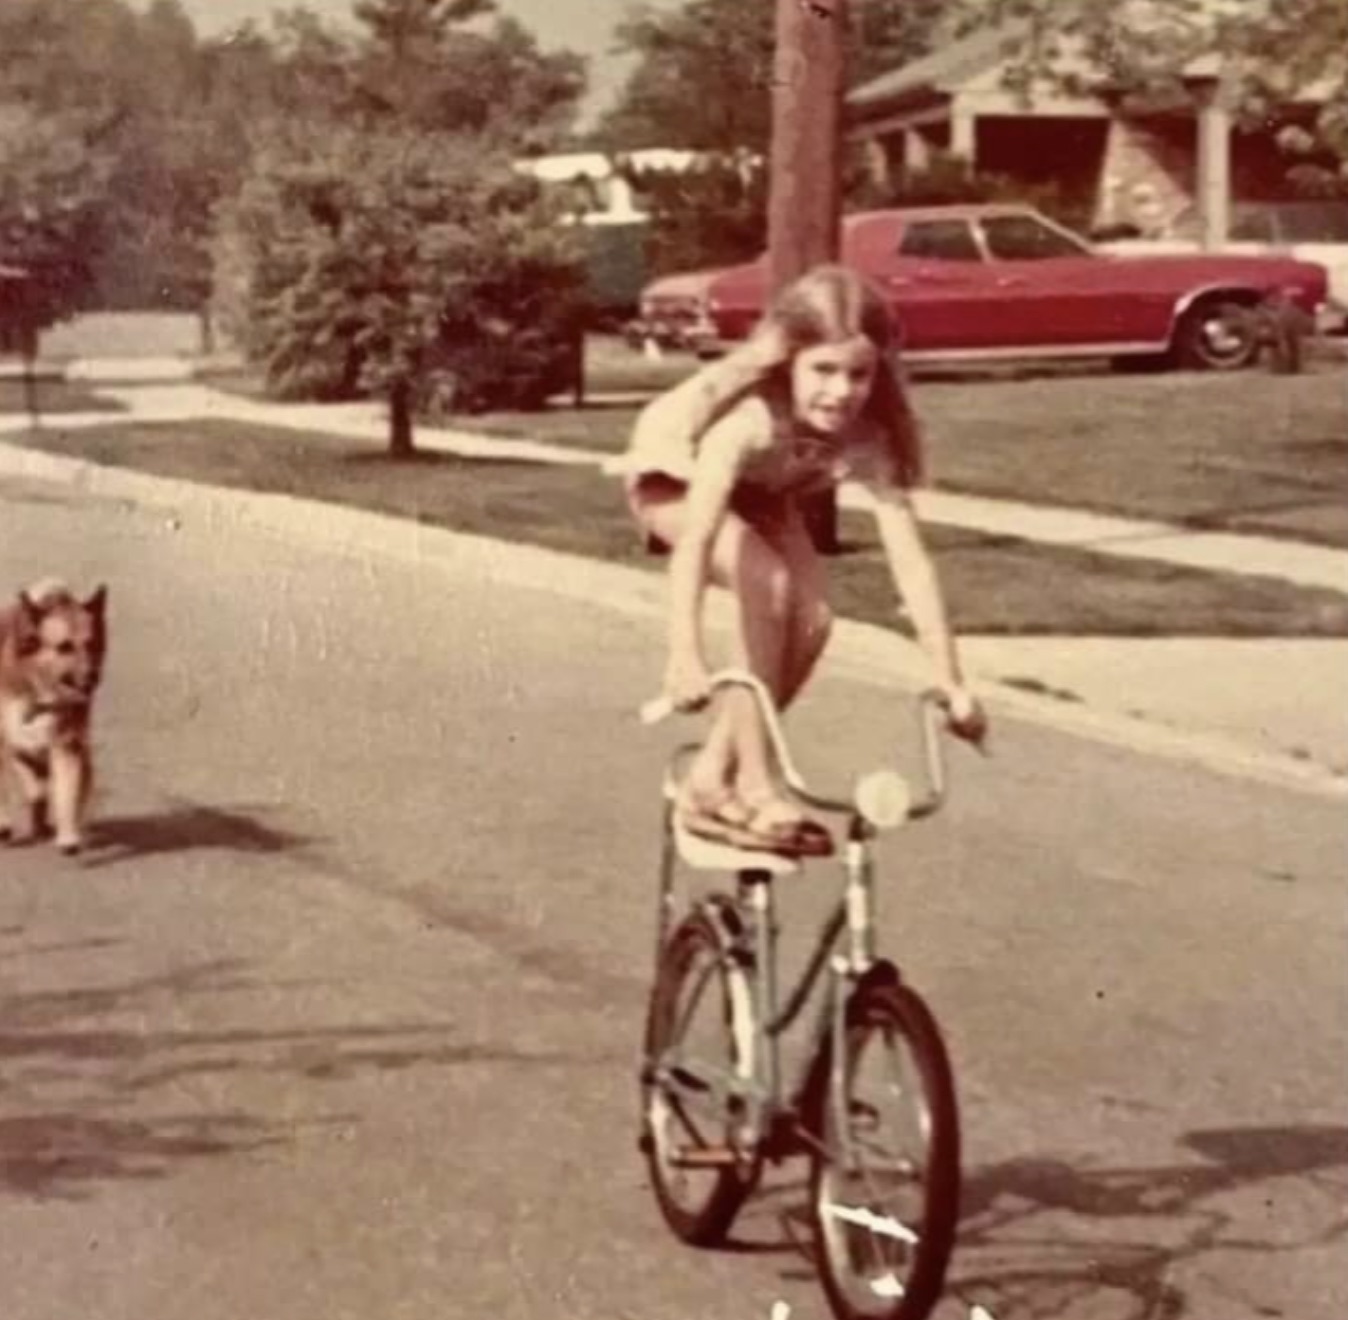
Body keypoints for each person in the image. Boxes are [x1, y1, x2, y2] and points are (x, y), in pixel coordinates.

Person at [612, 264, 987, 856]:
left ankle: (709, 780)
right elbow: (697, 543)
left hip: (764, 494)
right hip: (676, 484)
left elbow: (911, 563)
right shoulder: (748, 418)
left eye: (859, 374)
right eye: (823, 370)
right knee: (772, 587)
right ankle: (758, 788)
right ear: (788, 360)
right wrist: (685, 656)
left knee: (814, 621)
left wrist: (951, 681)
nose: (840, 391)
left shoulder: (869, 434)